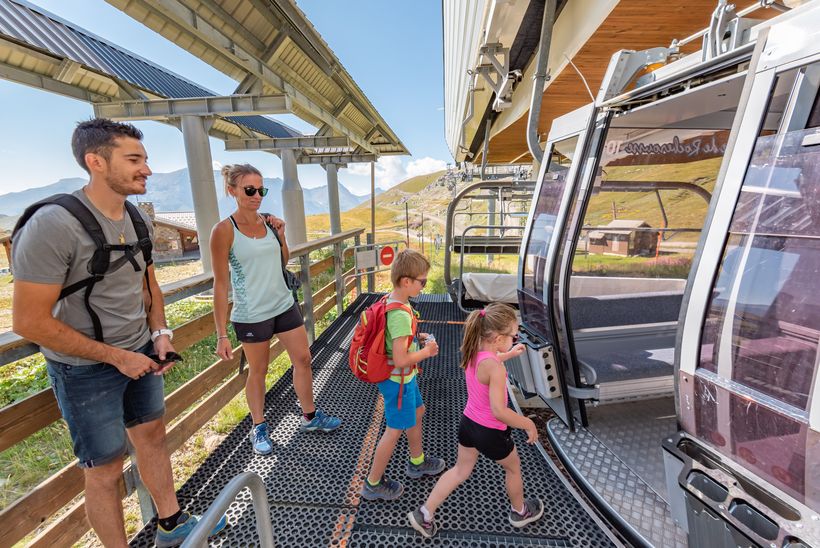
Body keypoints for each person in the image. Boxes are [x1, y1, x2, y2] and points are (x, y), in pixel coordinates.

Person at [11, 118, 225, 547]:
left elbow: (150, 287)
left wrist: (159, 333)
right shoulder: (53, 224)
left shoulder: (136, 218)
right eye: (134, 159)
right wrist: (115, 357)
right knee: (104, 470)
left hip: (141, 354)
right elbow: (28, 322)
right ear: (96, 162)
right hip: (84, 371)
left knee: (151, 438)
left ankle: (171, 525)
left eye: (144, 158)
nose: (146, 169)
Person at [211, 163, 341, 456]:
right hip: (251, 313)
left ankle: (310, 416)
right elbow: (220, 286)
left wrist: (281, 235)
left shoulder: (269, 223)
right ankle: (258, 428)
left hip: (283, 303)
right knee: (259, 370)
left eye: (261, 189)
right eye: (249, 190)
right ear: (232, 191)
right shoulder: (223, 231)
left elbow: (281, 262)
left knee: (304, 358)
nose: (257, 195)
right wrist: (221, 334)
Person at [407, 303, 544, 538]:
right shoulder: (496, 369)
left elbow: (491, 359)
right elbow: (499, 411)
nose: (515, 337)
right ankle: (520, 511)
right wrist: (527, 423)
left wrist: (509, 354)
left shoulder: (474, 351)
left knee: (460, 470)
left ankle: (425, 512)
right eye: (513, 335)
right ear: (499, 338)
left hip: (468, 424)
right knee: (513, 469)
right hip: (490, 432)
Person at [361, 249, 446, 500]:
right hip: (398, 381)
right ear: (406, 281)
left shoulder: (396, 301)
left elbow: (396, 341)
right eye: (422, 281)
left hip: (404, 379)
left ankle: (417, 461)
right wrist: (427, 352)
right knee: (394, 430)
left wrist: (415, 339)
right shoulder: (399, 314)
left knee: (418, 412)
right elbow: (399, 358)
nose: (424, 285)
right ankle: (373, 483)